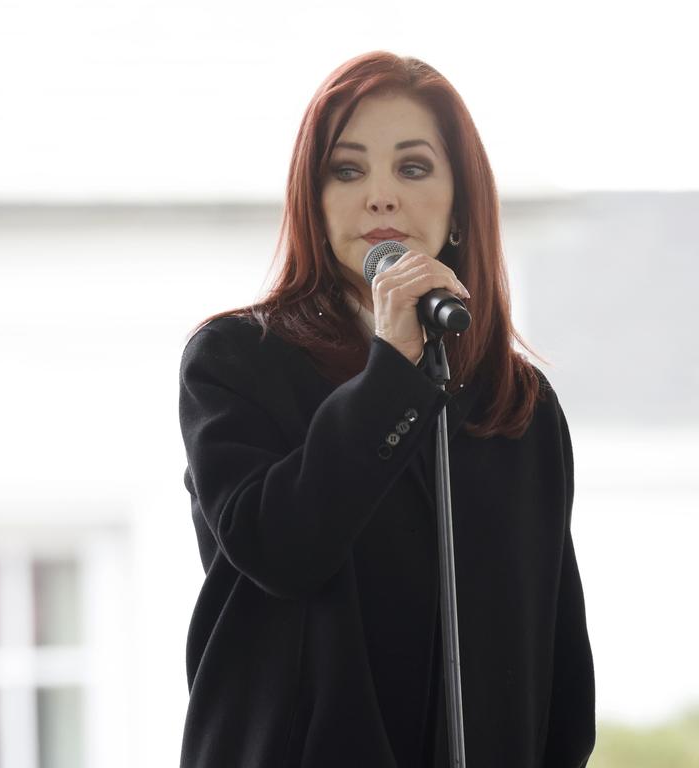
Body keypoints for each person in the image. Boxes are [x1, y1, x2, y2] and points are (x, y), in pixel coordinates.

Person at [177, 51, 595, 768]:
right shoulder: (235, 361)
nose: (380, 196)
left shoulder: (517, 404)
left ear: (460, 203)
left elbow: (556, 658)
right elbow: (281, 548)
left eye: (412, 168)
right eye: (347, 170)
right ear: (313, 199)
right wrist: (391, 372)